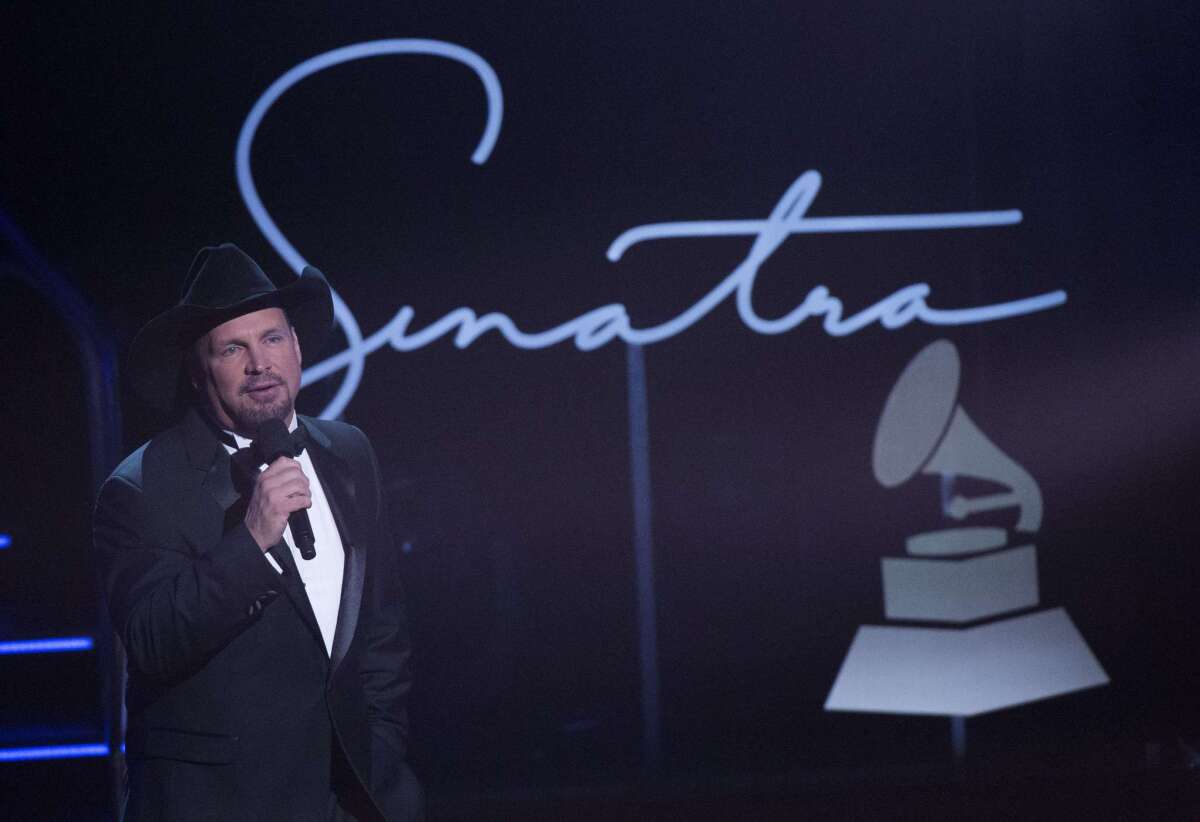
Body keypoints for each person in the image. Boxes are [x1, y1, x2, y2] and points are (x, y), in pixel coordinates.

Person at [93, 244, 422, 821]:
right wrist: (250, 541)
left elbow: (380, 627)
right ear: (198, 372)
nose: (259, 365)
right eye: (233, 348)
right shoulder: (142, 487)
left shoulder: (348, 451)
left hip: (350, 798)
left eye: (272, 339)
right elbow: (151, 640)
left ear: (296, 346)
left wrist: (382, 748)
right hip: (222, 805)